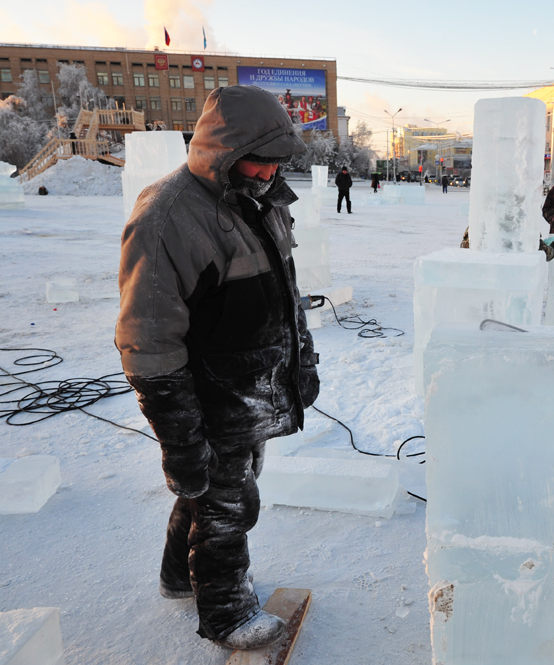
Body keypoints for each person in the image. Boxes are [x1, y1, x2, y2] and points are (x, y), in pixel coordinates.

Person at [115, 85, 320, 651]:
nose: (269, 171)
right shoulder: (167, 218)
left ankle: (178, 574)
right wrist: (179, 438)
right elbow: (148, 339)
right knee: (229, 505)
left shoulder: (260, 199)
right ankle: (226, 612)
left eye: (278, 160)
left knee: (210, 491)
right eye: (260, 158)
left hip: (250, 388)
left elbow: (285, 292)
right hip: (208, 397)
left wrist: (301, 364)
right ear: (224, 150)